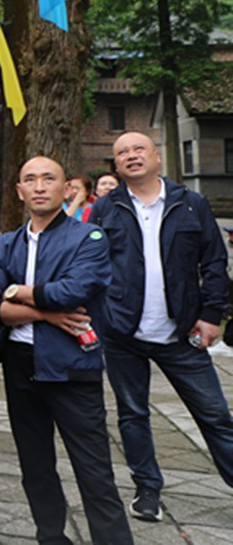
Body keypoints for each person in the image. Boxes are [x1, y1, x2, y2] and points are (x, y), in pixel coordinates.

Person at [87, 131, 233, 522]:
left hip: (182, 332)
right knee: (132, 414)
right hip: (123, 333)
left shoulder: (191, 204)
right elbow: (92, 265)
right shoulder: (105, 208)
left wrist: (212, 315)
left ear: (156, 157)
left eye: (139, 149)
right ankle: (147, 487)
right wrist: (101, 318)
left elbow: (214, 262)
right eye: (122, 152)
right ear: (116, 165)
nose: (131, 156)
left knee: (215, 415)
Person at [0, 156, 134, 544]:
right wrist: (45, 313)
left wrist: (18, 293)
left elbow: (74, 291)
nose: (39, 186)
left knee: (94, 472)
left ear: (66, 188)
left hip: (72, 365)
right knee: (35, 466)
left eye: (48, 178)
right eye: (30, 180)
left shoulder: (88, 238)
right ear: (19, 191)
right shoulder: (5, 244)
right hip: (20, 366)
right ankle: (50, 537)